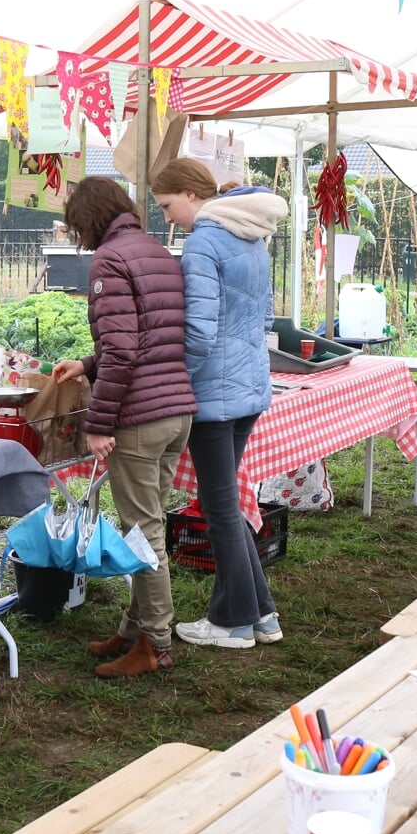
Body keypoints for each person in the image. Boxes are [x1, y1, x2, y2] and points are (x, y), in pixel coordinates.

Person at [52, 178, 196, 677]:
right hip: (176, 410)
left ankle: (157, 644)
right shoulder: (155, 249)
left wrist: (98, 423)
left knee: (143, 532)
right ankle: (134, 629)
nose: (77, 238)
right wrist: (86, 365)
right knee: (149, 521)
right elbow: (147, 337)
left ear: (89, 219)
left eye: (75, 227)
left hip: (140, 416)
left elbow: (123, 351)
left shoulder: (109, 260)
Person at [151, 157, 287, 649]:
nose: (167, 217)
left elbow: (200, 332)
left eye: (167, 205)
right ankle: (262, 615)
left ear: (190, 194)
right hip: (249, 385)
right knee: (224, 503)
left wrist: (172, 378)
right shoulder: (251, 234)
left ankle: (232, 622)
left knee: (220, 506)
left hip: (214, 394)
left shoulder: (205, 240)